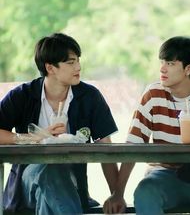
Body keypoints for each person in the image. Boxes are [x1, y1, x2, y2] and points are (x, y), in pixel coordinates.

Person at [104, 36, 190, 215]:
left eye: (171, 63)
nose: (162, 68)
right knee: (145, 191)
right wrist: (118, 194)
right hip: (163, 175)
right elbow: (133, 145)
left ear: (189, 68)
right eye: (162, 62)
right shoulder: (153, 95)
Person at [0, 32, 118, 215]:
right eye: (70, 62)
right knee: (50, 170)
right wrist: (35, 138)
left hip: (73, 185)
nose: (78, 66)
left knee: (48, 202)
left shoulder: (89, 97)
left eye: (78, 60)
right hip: (27, 182)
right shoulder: (22, 95)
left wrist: (116, 194)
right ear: (50, 68)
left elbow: (105, 148)